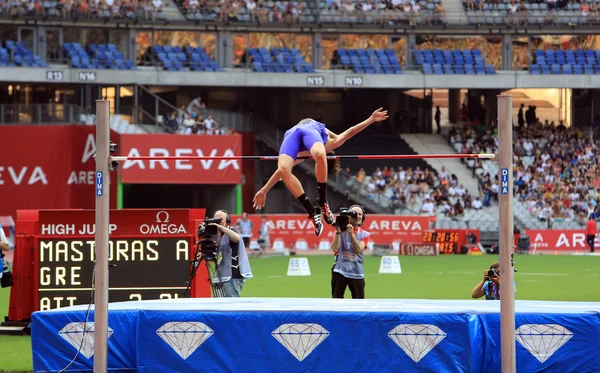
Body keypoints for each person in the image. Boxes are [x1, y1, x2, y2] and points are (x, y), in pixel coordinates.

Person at [252, 108, 389, 236]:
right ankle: (323, 203)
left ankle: (313, 212)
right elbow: (349, 132)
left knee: (284, 169)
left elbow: (280, 173)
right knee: (318, 152)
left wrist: (264, 190)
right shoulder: (328, 143)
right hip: (307, 129)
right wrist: (370, 119)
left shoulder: (304, 154)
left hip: (293, 135)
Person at [209, 210, 253, 297]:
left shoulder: (232, 230)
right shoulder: (220, 236)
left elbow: (237, 238)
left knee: (232, 305)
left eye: (221, 219)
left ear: (227, 220)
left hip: (233, 275)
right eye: (216, 219)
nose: (218, 221)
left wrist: (220, 227)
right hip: (223, 275)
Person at [330, 204, 371, 299]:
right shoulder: (340, 230)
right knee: (336, 300)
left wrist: (351, 234)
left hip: (356, 272)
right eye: (355, 214)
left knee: (359, 301)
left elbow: (358, 250)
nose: (358, 216)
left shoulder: (364, 234)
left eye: (360, 214)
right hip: (339, 270)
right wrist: (338, 231)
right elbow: (335, 249)